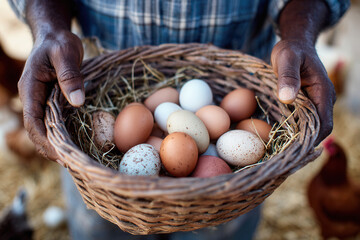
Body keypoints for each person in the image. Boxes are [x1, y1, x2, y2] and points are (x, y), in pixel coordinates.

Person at [8, 0, 349, 239]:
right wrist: (49, 28)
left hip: (228, 184)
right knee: (100, 229)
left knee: (218, 232)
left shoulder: (198, 128)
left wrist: (299, 36)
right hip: (96, 109)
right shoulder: (143, 130)